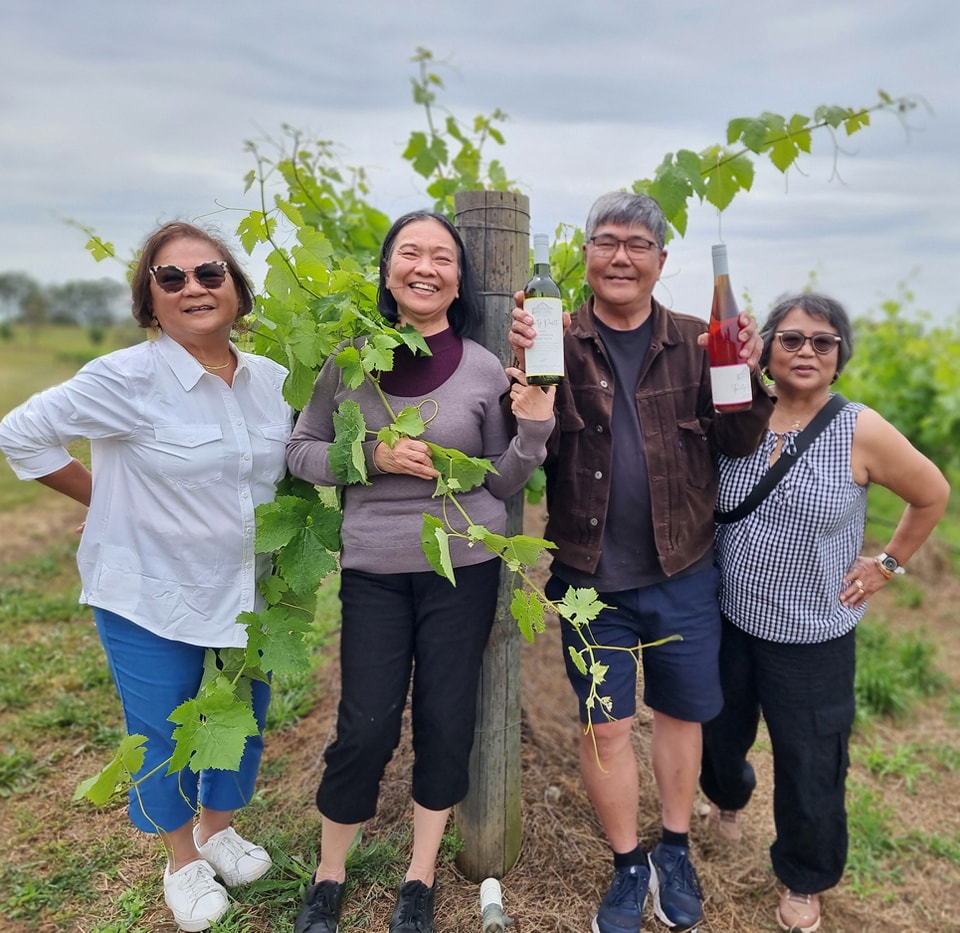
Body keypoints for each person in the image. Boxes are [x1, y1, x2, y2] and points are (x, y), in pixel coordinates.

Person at [0, 222, 293, 932]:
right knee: (161, 730)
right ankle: (181, 859)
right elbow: (20, 433)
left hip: (247, 594)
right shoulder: (125, 378)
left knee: (239, 719)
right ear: (150, 299)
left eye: (210, 272)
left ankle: (219, 828)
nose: (194, 287)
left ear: (236, 288)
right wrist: (104, 497)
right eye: (172, 277)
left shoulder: (275, 382)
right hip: (149, 592)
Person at [508, 191, 774, 933]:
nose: (620, 255)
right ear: (586, 255)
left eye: (637, 243)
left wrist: (746, 372)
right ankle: (630, 862)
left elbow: (742, 441)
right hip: (590, 579)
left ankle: (676, 847)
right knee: (608, 725)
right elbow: (538, 450)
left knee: (681, 714)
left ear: (662, 261)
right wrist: (525, 373)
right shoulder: (556, 339)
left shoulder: (696, 341)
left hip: (683, 570)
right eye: (605, 241)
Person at [286, 209, 555, 933]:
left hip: (461, 571)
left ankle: (419, 876)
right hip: (373, 569)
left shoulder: (478, 367)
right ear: (387, 268)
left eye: (442, 256)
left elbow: (500, 482)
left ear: (460, 278)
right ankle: (329, 874)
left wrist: (534, 428)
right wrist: (366, 457)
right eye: (411, 252)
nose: (425, 266)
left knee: (445, 718)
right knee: (365, 725)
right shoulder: (352, 358)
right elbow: (301, 449)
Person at [699, 293, 950, 933]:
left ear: (840, 358)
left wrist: (886, 565)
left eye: (823, 341)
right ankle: (726, 801)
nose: (807, 351)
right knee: (720, 736)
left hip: (812, 634)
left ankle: (805, 878)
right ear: (766, 350)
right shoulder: (737, 409)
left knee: (811, 760)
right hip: (727, 615)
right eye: (792, 338)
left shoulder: (858, 428)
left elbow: (931, 493)